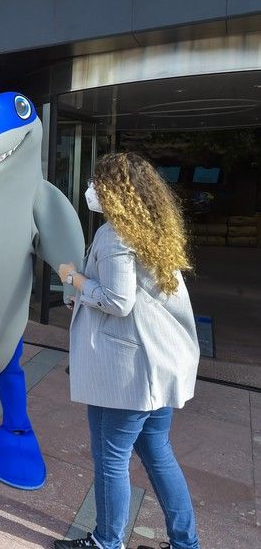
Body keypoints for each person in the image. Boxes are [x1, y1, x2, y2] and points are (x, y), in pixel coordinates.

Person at [54, 153, 200, 549]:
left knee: (111, 459)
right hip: (157, 365)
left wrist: (74, 278)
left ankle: (106, 541)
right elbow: (138, 296)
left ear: (115, 192)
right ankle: (185, 543)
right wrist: (84, 296)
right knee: (157, 453)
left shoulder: (116, 234)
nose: (91, 190)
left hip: (125, 372)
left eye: (97, 183)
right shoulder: (152, 229)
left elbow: (119, 302)